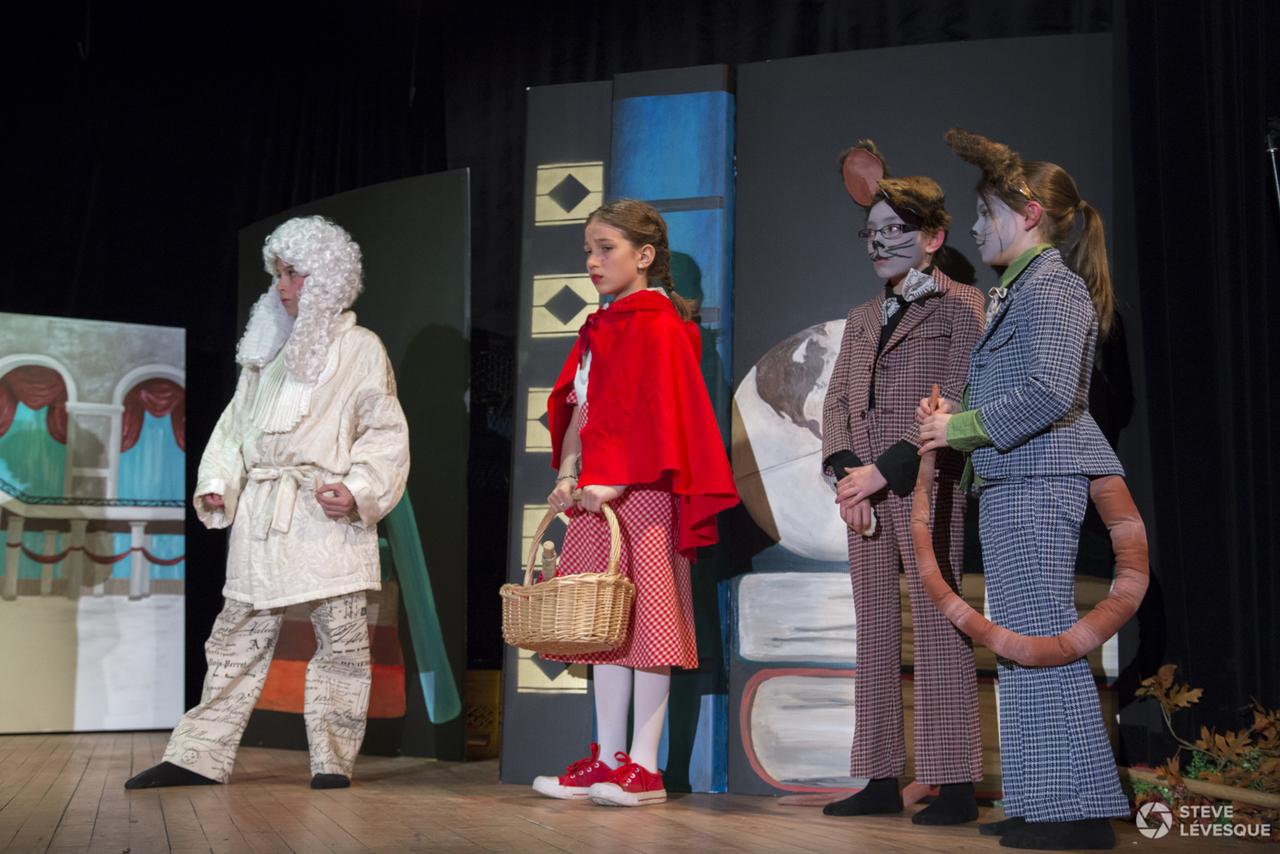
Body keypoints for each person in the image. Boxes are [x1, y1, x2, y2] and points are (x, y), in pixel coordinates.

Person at [125, 215, 409, 791]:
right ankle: (197, 755)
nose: (281, 286)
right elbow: (234, 428)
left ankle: (332, 760)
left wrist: (357, 489)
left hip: (325, 514)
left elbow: (384, 432)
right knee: (235, 635)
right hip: (263, 513)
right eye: (277, 274)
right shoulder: (266, 354)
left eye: (293, 274)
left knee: (343, 642)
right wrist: (220, 481)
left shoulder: (360, 349)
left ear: (325, 278)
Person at [917, 129, 1128, 850]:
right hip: (1014, 481)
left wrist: (959, 427)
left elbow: (1049, 392)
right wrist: (956, 415)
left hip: (1039, 481)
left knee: (1040, 641)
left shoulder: (1055, 288)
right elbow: (1022, 388)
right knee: (1020, 646)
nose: (976, 229)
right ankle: (1043, 800)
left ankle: (1080, 814)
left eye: (986, 214)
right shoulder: (1021, 291)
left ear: (1030, 213)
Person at [531, 199, 738, 807]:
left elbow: (663, 416)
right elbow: (583, 407)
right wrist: (569, 471)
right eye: (588, 251)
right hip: (595, 497)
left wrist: (617, 480)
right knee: (604, 625)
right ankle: (607, 758)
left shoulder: (660, 323)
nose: (593, 262)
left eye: (606, 249)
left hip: (643, 497)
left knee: (647, 626)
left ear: (644, 256)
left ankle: (644, 767)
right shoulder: (601, 325)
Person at [820, 142, 986, 824]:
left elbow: (959, 395)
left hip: (925, 485)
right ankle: (880, 775)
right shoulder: (862, 317)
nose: (880, 243)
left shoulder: (961, 304)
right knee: (874, 630)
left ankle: (953, 783)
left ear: (933, 237)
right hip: (863, 496)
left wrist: (878, 474)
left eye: (896, 230)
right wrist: (846, 478)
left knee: (941, 627)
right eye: (872, 232)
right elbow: (837, 402)